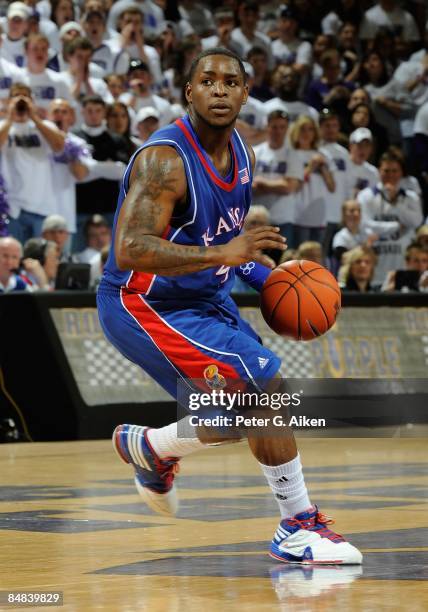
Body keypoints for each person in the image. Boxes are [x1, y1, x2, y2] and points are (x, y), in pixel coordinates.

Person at [97, 47, 362, 566]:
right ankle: (297, 525)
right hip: (145, 303)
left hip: (205, 297)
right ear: (189, 91)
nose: (219, 90)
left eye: (231, 82)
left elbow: (223, 241)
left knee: (238, 414)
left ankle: (152, 448)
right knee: (266, 388)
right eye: (208, 81)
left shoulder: (243, 152)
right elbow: (130, 248)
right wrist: (225, 252)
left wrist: (273, 280)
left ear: (245, 93)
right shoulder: (164, 160)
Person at [0, 82, 65, 243]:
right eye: (16, 97)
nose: (21, 101)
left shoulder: (45, 126)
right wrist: (10, 117)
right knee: (14, 260)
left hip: (43, 207)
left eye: (26, 97)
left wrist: (34, 117)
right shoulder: (3, 126)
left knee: (41, 258)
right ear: (8, 102)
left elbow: (59, 146)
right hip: (13, 208)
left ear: (33, 102)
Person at [357, 151, 423, 286]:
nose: (390, 175)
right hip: (376, 261)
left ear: (401, 173)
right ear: (379, 171)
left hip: (402, 262)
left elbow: (416, 222)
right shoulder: (365, 196)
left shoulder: (411, 197)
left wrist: (397, 203)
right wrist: (397, 226)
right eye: (386, 171)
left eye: (395, 171)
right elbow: (365, 225)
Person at [252, 109, 303, 249]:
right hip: (257, 221)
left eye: (282, 127)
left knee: (282, 265)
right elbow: (246, 186)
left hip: (282, 219)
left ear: (287, 129)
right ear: (267, 127)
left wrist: (262, 183)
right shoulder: (255, 152)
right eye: (274, 126)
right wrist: (276, 186)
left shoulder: (293, 156)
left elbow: (289, 187)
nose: (278, 131)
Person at [288, 115, 335, 246]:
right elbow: (294, 187)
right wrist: (310, 167)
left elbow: (332, 187)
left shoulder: (323, 154)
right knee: (300, 258)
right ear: (296, 131)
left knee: (316, 261)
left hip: (320, 215)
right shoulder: (291, 154)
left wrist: (323, 168)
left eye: (310, 129)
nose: (306, 133)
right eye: (303, 129)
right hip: (299, 215)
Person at [347, 128, 380, 198]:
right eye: (359, 145)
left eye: (367, 146)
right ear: (351, 146)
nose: (363, 150)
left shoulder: (373, 172)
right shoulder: (342, 166)